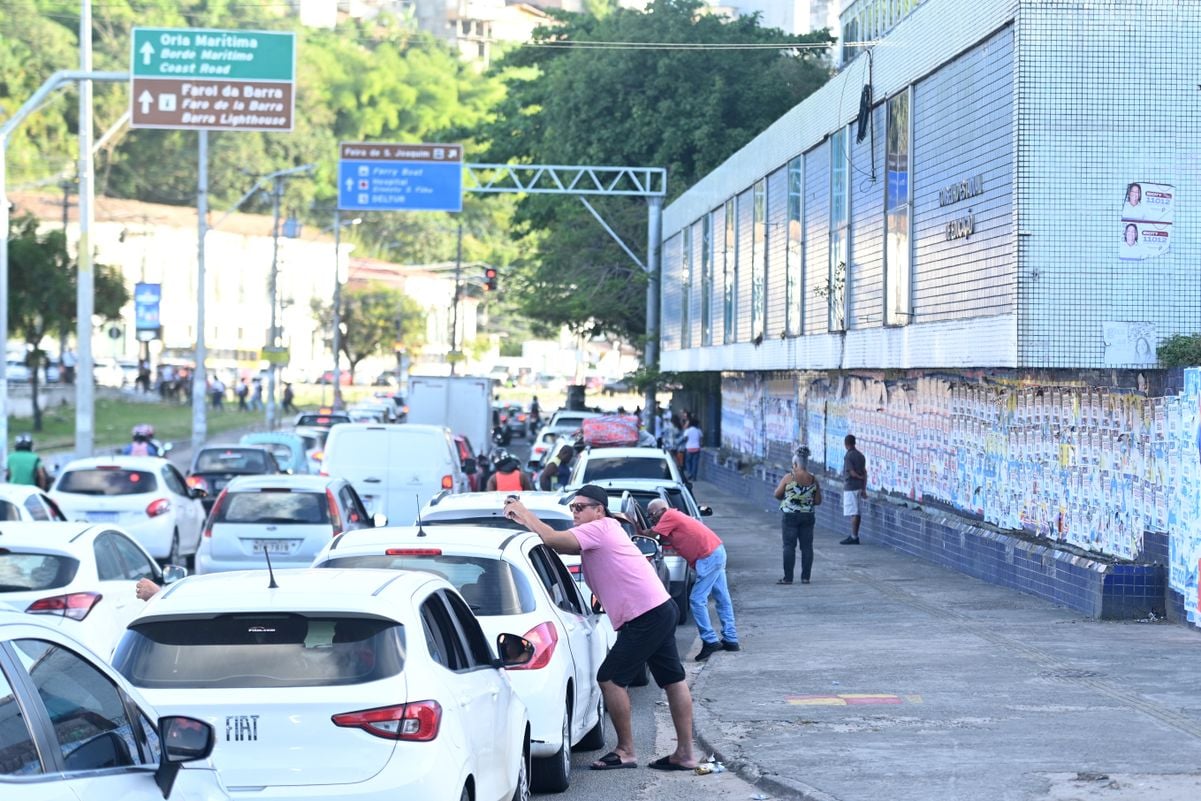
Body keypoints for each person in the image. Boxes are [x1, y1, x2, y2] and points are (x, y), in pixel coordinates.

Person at [504, 485, 698, 772]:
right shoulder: (605, 528)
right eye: (572, 508)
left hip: (646, 615)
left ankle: (625, 752)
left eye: (581, 507)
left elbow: (556, 541)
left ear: (599, 510)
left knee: (610, 678)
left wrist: (524, 514)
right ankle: (685, 754)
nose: (575, 512)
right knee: (672, 679)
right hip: (658, 608)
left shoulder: (601, 528)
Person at [646, 498, 739, 659]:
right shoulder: (672, 516)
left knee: (697, 600)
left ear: (661, 510)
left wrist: (635, 526)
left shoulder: (668, 516)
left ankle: (709, 640)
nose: (652, 519)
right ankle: (731, 639)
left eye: (651, 515)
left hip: (708, 556)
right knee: (722, 598)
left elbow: (652, 534)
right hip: (714, 552)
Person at [774, 447, 822, 583]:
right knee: (807, 546)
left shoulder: (789, 477)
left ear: (795, 464)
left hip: (790, 516)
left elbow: (777, 494)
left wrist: (789, 497)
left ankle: (788, 578)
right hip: (807, 516)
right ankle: (805, 578)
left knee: (789, 546)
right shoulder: (813, 479)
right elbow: (818, 501)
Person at [840, 434, 868, 544]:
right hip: (859, 487)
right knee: (856, 511)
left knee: (854, 512)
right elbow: (865, 473)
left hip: (851, 487)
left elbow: (851, 472)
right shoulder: (861, 456)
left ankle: (854, 536)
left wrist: (858, 476)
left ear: (846, 444)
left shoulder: (848, 456)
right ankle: (854, 535)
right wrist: (864, 487)